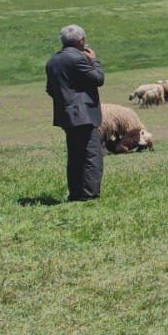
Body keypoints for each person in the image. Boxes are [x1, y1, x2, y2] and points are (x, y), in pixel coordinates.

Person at [45, 24, 104, 202]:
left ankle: (75, 193)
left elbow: (50, 89)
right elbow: (98, 79)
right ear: (81, 41)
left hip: (66, 114)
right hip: (84, 114)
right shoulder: (79, 59)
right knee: (92, 155)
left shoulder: (52, 61)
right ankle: (89, 194)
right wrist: (94, 60)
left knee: (75, 155)